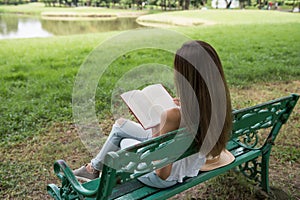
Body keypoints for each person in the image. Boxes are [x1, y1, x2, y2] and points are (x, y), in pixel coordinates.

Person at [73, 40, 233, 188]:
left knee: (124, 143)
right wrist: (183, 107)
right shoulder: (218, 105)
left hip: (163, 179)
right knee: (120, 125)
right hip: (188, 166)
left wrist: (157, 123)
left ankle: (97, 171)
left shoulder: (173, 116)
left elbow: (161, 172)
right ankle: (92, 168)